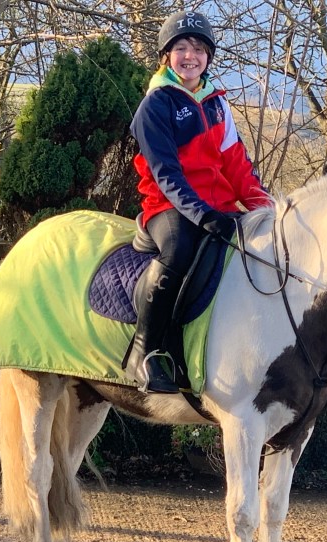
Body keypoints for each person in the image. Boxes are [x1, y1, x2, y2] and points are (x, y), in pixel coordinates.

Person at [126, 9, 271, 394]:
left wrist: (269, 209)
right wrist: (202, 214)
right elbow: (166, 175)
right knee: (178, 251)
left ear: (208, 57)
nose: (190, 56)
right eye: (182, 48)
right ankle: (144, 351)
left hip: (217, 207)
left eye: (199, 49)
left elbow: (237, 166)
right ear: (166, 55)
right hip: (168, 206)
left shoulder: (217, 104)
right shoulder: (155, 105)